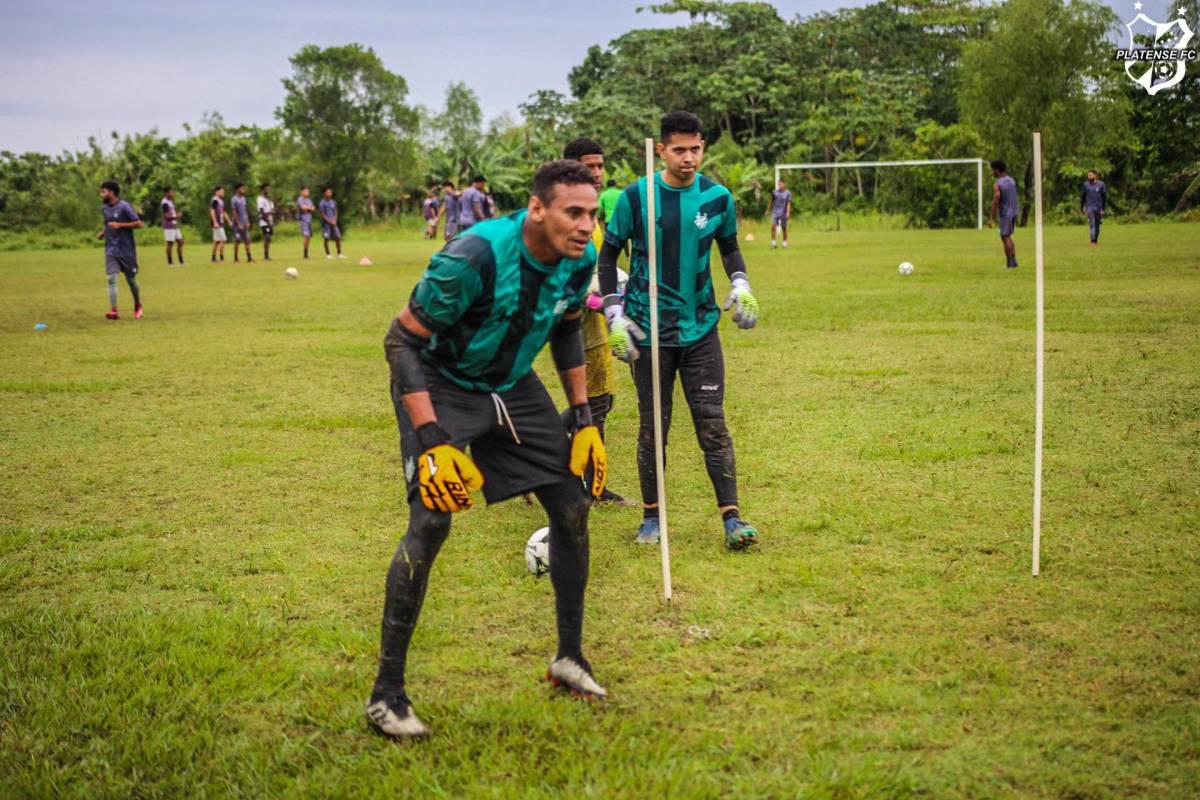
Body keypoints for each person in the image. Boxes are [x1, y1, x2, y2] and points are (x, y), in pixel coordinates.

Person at [366, 160, 608, 739]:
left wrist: (582, 418)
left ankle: (569, 658)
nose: (585, 225)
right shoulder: (473, 256)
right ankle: (386, 695)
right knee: (431, 521)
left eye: (593, 214)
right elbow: (400, 342)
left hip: (512, 383)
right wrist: (431, 439)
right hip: (441, 383)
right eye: (574, 212)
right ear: (537, 209)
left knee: (572, 505)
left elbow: (566, 327)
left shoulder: (580, 259)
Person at [598, 110, 761, 551]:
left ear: (702, 147)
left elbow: (730, 249)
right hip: (647, 333)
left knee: (712, 424)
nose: (688, 158)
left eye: (695, 149)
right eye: (679, 150)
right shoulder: (636, 197)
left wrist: (741, 283)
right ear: (661, 150)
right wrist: (614, 312)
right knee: (654, 428)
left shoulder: (717, 198)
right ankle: (652, 518)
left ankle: (732, 518)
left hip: (700, 329)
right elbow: (608, 258)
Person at [563, 136, 627, 505]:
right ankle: (588, 486)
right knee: (592, 407)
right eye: (591, 166)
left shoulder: (591, 215)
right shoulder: (568, 217)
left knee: (601, 403)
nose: (598, 173)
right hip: (577, 330)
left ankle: (591, 483)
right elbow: (567, 282)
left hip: (599, 326)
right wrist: (597, 300)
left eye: (601, 165)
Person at [97, 180, 144, 320]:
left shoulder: (124, 206)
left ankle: (137, 303)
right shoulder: (104, 208)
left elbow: (139, 224)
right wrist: (103, 232)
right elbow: (108, 224)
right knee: (111, 278)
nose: (101, 195)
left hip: (126, 250)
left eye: (103, 192)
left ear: (111, 192)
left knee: (131, 281)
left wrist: (120, 225)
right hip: (111, 249)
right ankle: (114, 310)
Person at [987, 160, 1019, 269]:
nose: (992, 172)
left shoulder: (998, 184)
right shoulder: (1011, 180)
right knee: (1008, 236)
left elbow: (996, 198)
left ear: (997, 170)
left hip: (1005, 213)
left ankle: (1010, 263)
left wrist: (991, 218)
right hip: (1014, 211)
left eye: (993, 170)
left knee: (1005, 237)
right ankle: (1014, 261)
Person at [1080, 170, 1107, 247]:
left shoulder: (1101, 184)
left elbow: (1104, 198)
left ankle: (1095, 241)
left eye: (1090, 175)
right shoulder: (1085, 185)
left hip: (1098, 208)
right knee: (1092, 225)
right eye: (1088, 176)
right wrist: (1082, 207)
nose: (1089, 177)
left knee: (1097, 226)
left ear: (1095, 175)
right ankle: (1092, 241)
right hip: (1089, 208)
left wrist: (1103, 209)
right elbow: (1083, 197)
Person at [230, 183, 255, 263]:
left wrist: (247, 221)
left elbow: (245, 211)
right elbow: (234, 212)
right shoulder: (234, 199)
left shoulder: (243, 198)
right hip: (237, 224)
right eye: (242, 188)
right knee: (237, 240)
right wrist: (238, 224)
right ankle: (236, 258)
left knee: (247, 240)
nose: (244, 190)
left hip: (244, 223)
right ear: (237, 189)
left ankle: (249, 258)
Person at [160, 187, 184, 266]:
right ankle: (170, 263)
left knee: (180, 242)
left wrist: (177, 215)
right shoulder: (165, 203)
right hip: (168, 225)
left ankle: (181, 262)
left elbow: (172, 213)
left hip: (174, 224)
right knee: (170, 243)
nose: (173, 194)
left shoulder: (170, 202)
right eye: (171, 192)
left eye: (173, 192)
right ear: (166, 193)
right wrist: (177, 216)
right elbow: (166, 216)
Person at [319, 187, 345, 259]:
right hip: (326, 224)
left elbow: (335, 212)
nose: (329, 193)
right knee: (326, 238)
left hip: (334, 223)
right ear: (324, 193)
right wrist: (329, 221)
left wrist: (335, 220)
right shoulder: (322, 203)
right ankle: (328, 254)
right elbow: (322, 214)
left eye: (330, 192)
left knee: (338, 237)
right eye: (328, 192)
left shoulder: (333, 202)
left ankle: (339, 254)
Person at [769, 178, 792, 249]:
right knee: (772, 227)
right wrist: (767, 210)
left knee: (784, 228)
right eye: (778, 184)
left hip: (783, 213)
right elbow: (771, 201)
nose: (779, 185)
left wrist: (788, 212)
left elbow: (788, 203)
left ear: (784, 184)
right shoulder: (774, 192)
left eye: (781, 184)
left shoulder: (788, 193)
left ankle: (784, 243)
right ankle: (773, 243)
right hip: (775, 212)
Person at [209, 186, 228, 262]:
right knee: (223, 240)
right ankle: (221, 258)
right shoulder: (215, 200)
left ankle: (213, 258)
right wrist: (215, 222)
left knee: (216, 241)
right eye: (222, 191)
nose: (223, 193)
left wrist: (229, 220)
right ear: (217, 192)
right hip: (217, 224)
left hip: (220, 223)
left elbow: (223, 212)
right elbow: (212, 211)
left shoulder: (221, 201)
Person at [257, 184, 275, 261]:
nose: (268, 191)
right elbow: (261, 212)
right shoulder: (260, 199)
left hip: (270, 221)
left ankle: (267, 255)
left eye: (268, 189)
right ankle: (265, 256)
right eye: (266, 189)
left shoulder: (269, 200)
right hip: (264, 222)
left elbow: (272, 210)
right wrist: (268, 222)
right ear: (262, 190)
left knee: (269, 238)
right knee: (266, 237)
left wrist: (270, 213)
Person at [296, 186, 316, 259]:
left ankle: (306, 253)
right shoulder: (300, 199)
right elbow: (303, 208)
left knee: (309, 237)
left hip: (309, 219)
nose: (308, 192)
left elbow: (313, 209)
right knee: (306, 236)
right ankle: (305, 254)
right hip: (303, 220)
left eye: (308, 191)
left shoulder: (309, 200)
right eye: (306, 191)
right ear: (302, 192)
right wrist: (309, 208)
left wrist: (308, 208)